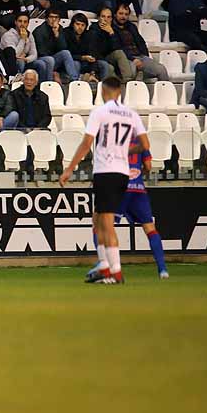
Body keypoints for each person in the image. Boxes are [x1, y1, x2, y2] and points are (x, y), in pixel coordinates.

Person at [60, 76, 151, 285]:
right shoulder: (131, 114)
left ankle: (115, 272)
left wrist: (69, 169)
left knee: (107, 222)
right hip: (122, 172)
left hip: (105, 171)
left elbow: (86, 143)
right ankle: (103, 267)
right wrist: (126, 149)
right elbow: (145, 144)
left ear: (103, 91)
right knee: (98, 218)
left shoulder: (100, 112)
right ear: (119, 92)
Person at [85, 140, 169, 282]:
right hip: (138, 189)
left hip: (119, 189)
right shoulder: (140, 142)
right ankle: (162, 270)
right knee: (150, 229)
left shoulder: (113, 141)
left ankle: (105, 266)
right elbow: (148, 166)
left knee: (101, 224)